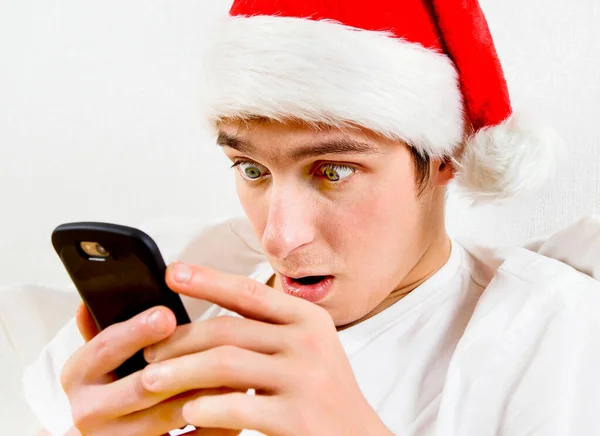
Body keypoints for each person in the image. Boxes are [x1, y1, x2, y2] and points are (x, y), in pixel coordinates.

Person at [23, 1, 600, 435]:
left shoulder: (551, 331)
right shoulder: (183, 306)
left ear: (445, 157)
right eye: (251, 169)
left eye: (333, 171)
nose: (278, 237)